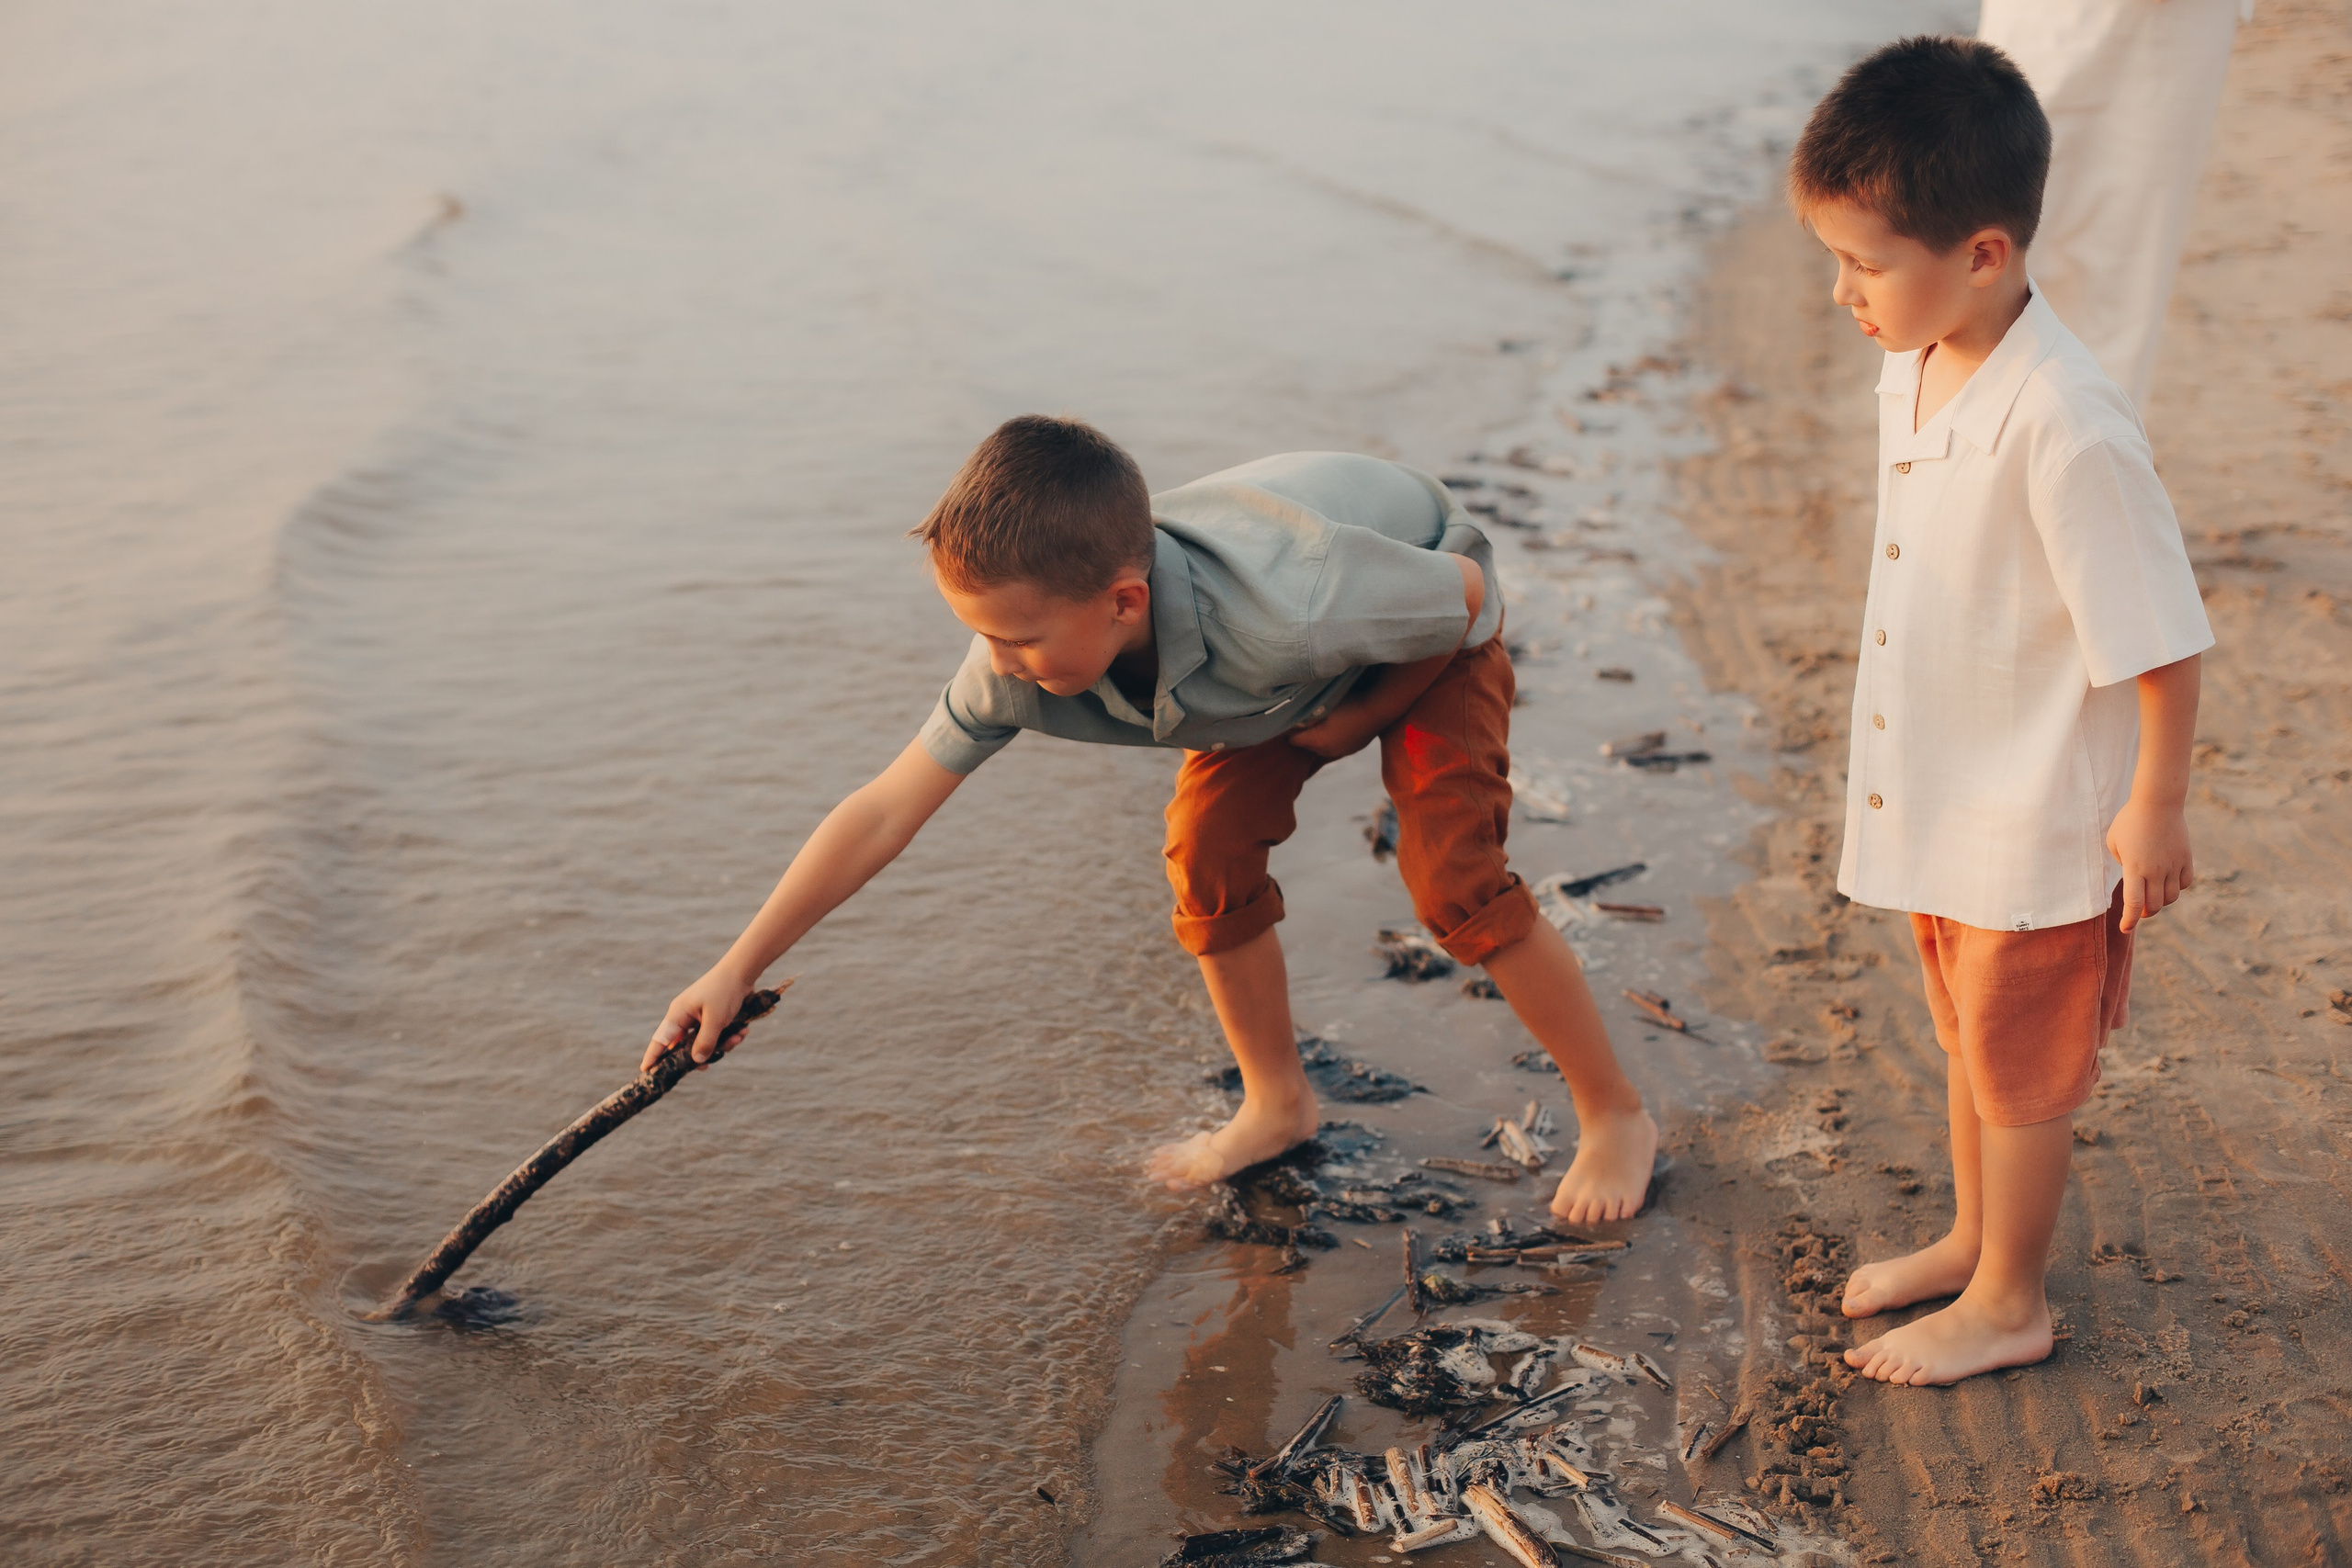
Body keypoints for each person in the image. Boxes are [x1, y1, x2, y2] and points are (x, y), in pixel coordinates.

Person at [641, 422, 1658, 1224]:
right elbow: (880, 813)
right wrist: (734, 966)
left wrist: (1363, 718)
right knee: (1204, 855)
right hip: (1257, 685)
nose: (993, 662)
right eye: (977, 633)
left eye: (1015, 638)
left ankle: (1613, 1109)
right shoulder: (1018, 656)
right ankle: (1276, 1103)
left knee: (1452, 880)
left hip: (1406, 608)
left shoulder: (1296, 606)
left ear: (1122, 601)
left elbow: (1474, 602)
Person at [1788, 37, 2211, 1384]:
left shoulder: (2069, 421)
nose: (1842, 290)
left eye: (1865, 262)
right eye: (1835, 257)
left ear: (1980, 253)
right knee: (1965, 1040)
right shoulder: (1916, 359)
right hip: (1943, 780)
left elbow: (2159, 629)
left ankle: (2014, 1296)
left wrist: (2153, 802)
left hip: (2036, 813)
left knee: (2024, 1074)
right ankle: (1975, 1236)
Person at [1977, 0, 2245, 404]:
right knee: (1980, 255)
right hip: (2041, 20)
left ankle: (2095, 452)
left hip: (2174, 26)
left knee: (2124, 280)